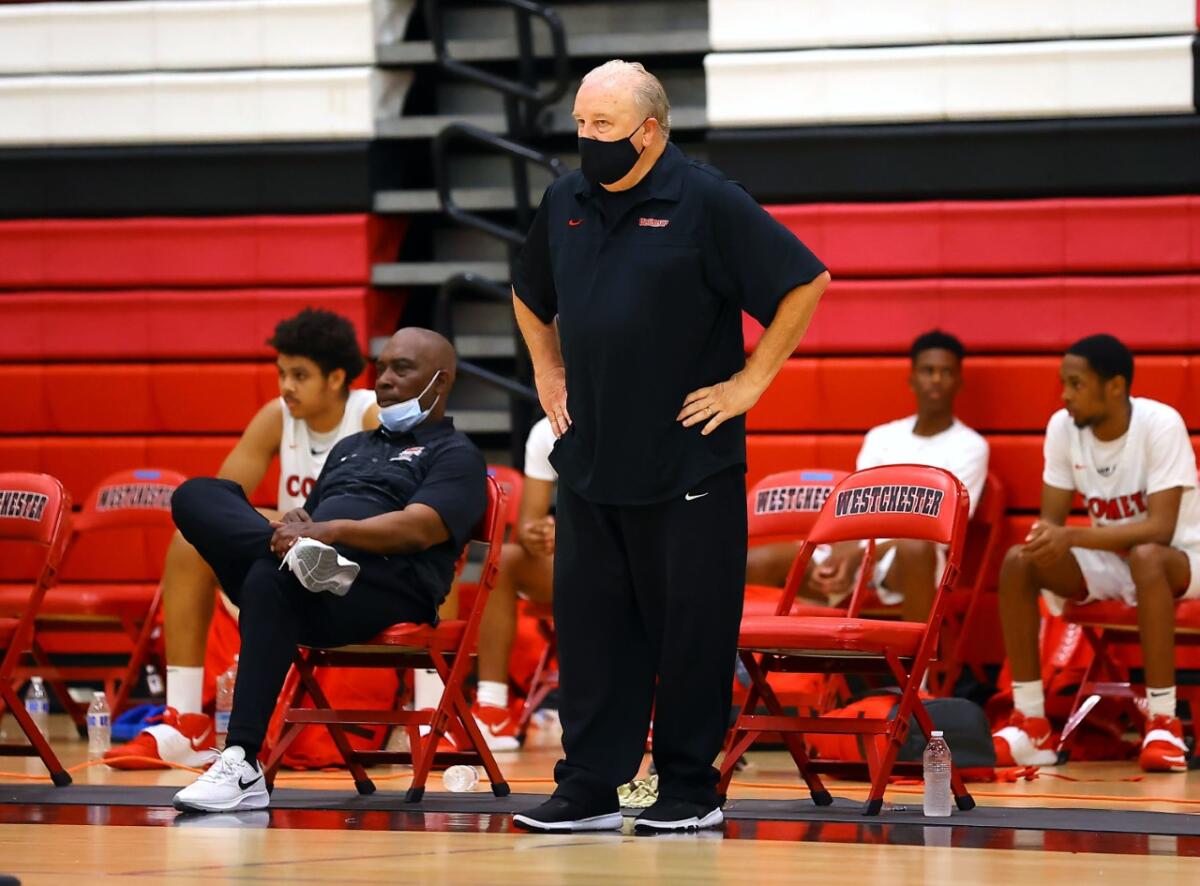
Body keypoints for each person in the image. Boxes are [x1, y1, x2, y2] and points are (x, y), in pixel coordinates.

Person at [509, 60, 829, 833]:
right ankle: (589, 785)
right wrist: (548, 369)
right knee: (592, 632)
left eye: (604, 127)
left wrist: (751, 382)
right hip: (591, 460)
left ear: (649, 132)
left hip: (690, 461)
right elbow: (527, 290)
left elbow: (804, 281)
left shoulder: (708, 200)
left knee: (691, 631)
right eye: (581, 124)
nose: (588, 140)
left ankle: (688, 790)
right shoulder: (564, 200)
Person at [169, 328, 487, 812]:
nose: (384, 380)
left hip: (384, 586)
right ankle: (285, 554)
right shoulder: (351, 447)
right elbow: (313, 517)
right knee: (197, 494)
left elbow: (421, 528)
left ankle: (242, 761)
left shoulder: (455, 454)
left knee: (269, 579)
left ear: (440, 382)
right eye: (381, 368)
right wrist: (299, 525)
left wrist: (330, 533)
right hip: (313, 581)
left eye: (402, 369)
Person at [107, 308, 378, 769]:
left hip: (354, 567)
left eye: (299, 375)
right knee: (189, 540)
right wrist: (282, 527)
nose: (285, 386)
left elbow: (393, 512)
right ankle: (186, 720)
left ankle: (435, 715)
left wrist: (299, 525)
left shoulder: (370, 415)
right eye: (281, 373)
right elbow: (225, 506)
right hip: (288, 560)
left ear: (336, 378)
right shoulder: (276, 417)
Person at [991, 334, 1200, 773]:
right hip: (1119, 559)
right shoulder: (1062, 428)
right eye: (1063, 383)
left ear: (1115, 386)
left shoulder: (1160, 423)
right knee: (1020, 561)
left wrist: (1072, 538)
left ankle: (1164, 722)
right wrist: (1054, 541)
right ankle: (1032, 723)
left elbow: (1161, 531)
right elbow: (1050, 530)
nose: (1065, 395)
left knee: (1147, 557)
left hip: (1184, 556)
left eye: (1076, 384)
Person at [745, 330, 989, 622]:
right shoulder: (882, 437)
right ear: (912, 378)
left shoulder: (971, 446)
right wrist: (842, 554)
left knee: (916, 548)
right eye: (928, 370)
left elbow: (945, 532)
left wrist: (857, 556)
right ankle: (752, 664)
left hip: (907, 559)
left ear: (959, 382)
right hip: (856, 549)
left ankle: (918, 666)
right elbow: (854, 511)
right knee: (754, 562)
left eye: (946, 371)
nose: (936, 379)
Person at [472, 417, 558, 750]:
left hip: (636, 560)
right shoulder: (545, 431)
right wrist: (542, 535)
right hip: (582, 563)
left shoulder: (637, 415)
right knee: (505, 559)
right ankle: (493, 708)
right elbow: (527, 528)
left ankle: (656, 711)